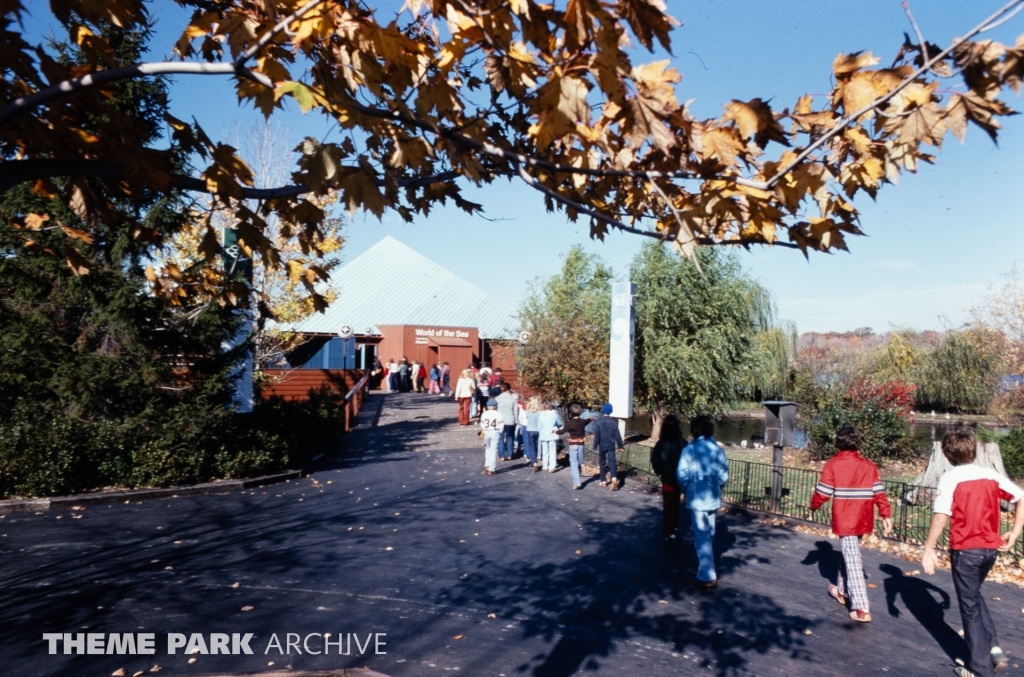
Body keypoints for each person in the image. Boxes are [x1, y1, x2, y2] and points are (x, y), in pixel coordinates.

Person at [922, 427, 1024, 677]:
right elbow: (1021, 496)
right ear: (974, 449)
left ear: (947, 454)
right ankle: (993, 648)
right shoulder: (990, 475)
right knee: (974, 596)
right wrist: (1015, 530)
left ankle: (980, 669)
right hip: (990, 549)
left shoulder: (950, 478)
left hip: (966, 549)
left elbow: (941, 516)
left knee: (968, 606)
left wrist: (929, 548)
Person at [809, 425, 893, 621]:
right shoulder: (869, 465)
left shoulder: (833, 464)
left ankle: (861, 607)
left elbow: (823, 492)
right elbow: (879, 493)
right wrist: (886, 514)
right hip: (863, 516)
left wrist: (813, 506)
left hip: (845, 518)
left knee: (852, 558)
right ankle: (840, 590)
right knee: (849, 552)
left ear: (838, 443)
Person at [677, 415, 729, 589]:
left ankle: (707, 575)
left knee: (701, 535)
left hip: (697, 497)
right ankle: (705, 567)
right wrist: (717, 487)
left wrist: (686, 489)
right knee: (710, 532)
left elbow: (682, 475)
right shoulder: (717, 450)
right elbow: (723, 476)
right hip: (712, 497)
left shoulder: (688, 450)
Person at [650, 414, 685, 541]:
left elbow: (655, 460)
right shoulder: (682, 442)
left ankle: (668, 531)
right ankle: (674, 527)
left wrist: (659, 471)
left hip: (668, 478)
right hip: (680, 478)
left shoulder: (661, 443)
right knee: (676, 504)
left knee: (668, 505)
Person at [591, 403, 624, 490]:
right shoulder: (613, 422)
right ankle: (614, 477)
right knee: (612, 462)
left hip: (602, 445)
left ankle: (603, 481)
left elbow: (597, 435)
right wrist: (620, 446)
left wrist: (595, 445)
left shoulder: (598, 422)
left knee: (602, 462)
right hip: (611, 445)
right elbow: (617, 435)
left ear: (603, 411)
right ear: (611, 412)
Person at [556, 403, 588, 490]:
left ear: (571, 413)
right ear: (580, 412)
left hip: (573, 444)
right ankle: (578, 476)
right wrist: (591, 419)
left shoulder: (569, 423)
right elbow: (587, 421)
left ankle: (577, 482)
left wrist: (555, 431)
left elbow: (561, 432)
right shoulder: (582, 422)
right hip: (581, 444)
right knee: (579, 462)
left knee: (574, 463)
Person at [479, 398, 504, 475]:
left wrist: (484, 430)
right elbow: (501, 424)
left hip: (486, 431)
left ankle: (487, 464)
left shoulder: (484, 413)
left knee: (488, 449)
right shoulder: (498, 414)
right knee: (494, 450)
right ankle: (491, 469)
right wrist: (499, 431)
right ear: (495, 406)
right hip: (495, 431)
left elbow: (482, 424)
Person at [537, 401, 563, 472]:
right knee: (552, 450)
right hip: (552, 433)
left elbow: (539, 427)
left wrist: (541, 432)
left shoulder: (541, 415)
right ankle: (552, 467)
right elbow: (559, 423)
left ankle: (545, 466)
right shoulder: (554, 414)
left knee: (545, 451)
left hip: (544, 434)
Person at [494, 386, 518, 462]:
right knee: (510, 437)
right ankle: (510, 454)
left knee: (500, 438)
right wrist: (516, 421)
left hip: (500, 420)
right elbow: (515, 411)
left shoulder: (497, 398)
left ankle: (502, 455)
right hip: (510, 420)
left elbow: (495, 410)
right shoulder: (513, 399)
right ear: (509, 389)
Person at [525, 396, 541, 471]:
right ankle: (536, 458)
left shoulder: (528, 412)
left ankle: (533, 461)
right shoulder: (539, 413)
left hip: (529, 430)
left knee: (531, 446)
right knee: (536, 445)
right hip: (537, 430)